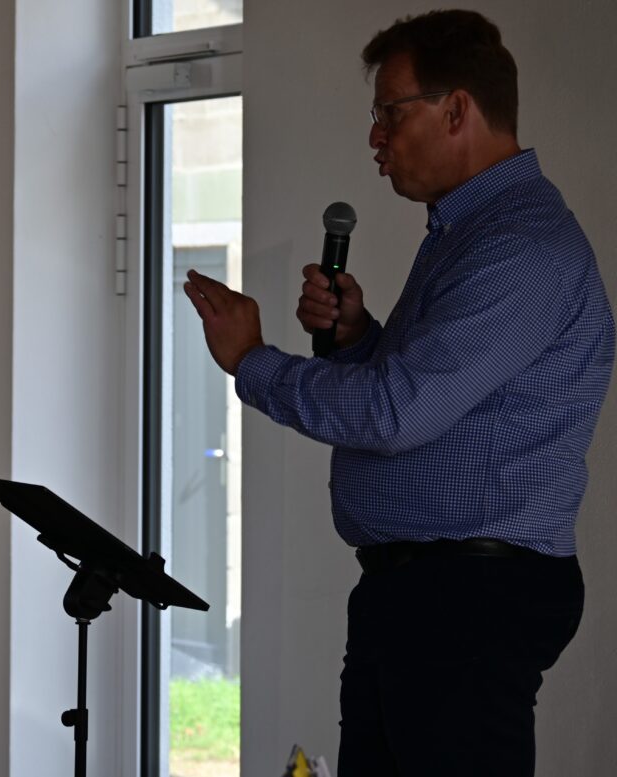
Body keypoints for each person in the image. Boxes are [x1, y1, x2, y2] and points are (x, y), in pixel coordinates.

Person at [183, 10, 614, 776]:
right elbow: (440, 395)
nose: (375, 137)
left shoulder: (519, 246)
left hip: (469, 601)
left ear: (456, 110)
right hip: (425, 596)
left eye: (390, 112)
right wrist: (358, 337)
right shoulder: (468, 233)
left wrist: (251, 361)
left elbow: (393, 412)